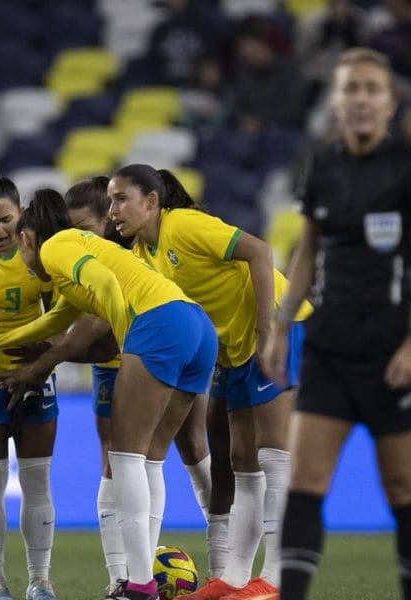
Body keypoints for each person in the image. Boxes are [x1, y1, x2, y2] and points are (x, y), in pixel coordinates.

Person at [0, 190, 218, 600]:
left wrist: (129, 340)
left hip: (156, 325)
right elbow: (53, 324)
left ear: (28, 239)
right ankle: (150, 579)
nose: (19, 254)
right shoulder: (72, 265)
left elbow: (106, 284)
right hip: (195, 326)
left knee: (123, 458)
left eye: (20, 243)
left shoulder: (57, 247)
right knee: (149, 457)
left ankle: (139, 584)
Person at [106, 164, 311, 600]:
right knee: (241, 460)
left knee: (273, 453)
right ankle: (236, 577)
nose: (113, 210)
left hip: (271, 328)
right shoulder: (143, 255)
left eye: (121, 198)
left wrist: (266, 330)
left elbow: (258, 251)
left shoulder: (184, 226)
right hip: (234, 351)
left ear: (152, 201)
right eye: (109, 201)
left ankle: (274, 579)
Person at [263, 47, 411, 600]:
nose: (362, 99)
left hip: (391, 351)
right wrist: (280, 327)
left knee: (402, 489)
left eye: (373, 89)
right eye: (352, 88)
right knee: (304, 484)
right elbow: (307, 251)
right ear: (338, 99)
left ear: (390, 103)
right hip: (329, 346)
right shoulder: (322, 165)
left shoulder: (404, 168)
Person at [0, 169, 58, 600]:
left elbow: (68, 313)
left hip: (37, 379)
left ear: (20, 214)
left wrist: (49, 349)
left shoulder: (41, 254)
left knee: (38, 483)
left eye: (6, 220)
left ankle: (39, 581)